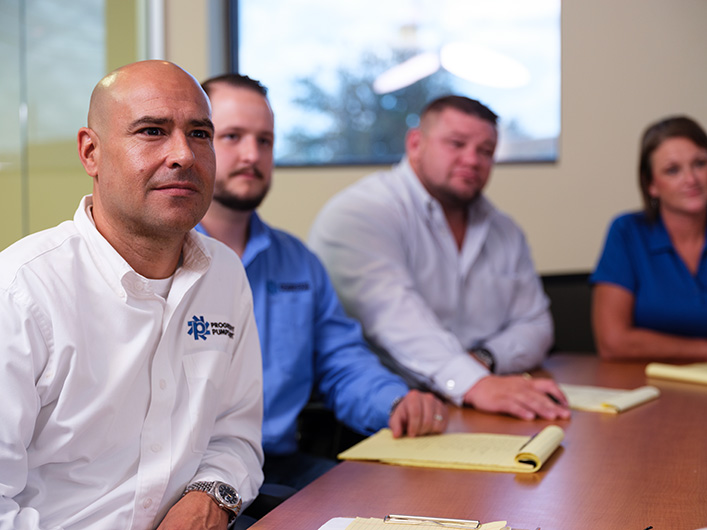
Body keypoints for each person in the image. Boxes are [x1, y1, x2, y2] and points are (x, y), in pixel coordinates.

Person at [0, 61, 263, 529]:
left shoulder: (223, 274)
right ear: (90, 152)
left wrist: (211, 495)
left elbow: (235, 434)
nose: (183, 153)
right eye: (152, 131)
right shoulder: (22, 291)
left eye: (200, 134)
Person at [196, 74, 449, 491]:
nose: (251, 155)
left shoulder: (296, 262)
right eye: (232, 136)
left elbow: (341, 361)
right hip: (186, 479)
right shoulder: (162, 259)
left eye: (265, 141)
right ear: (198, 143)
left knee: (408, 501)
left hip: (278, 465)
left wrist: (395, 401)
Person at [309, 95, 570, 421]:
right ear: (415, 143)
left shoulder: (505, 231)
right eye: (456, 143)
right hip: (389, 415)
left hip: (482, 403)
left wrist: (483, 360)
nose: (472, 160)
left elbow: (537, 326)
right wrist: (474, 382)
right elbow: (395, 320)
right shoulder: (359, 213)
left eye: (486, 151)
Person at [591, 115, 707, 360]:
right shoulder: (627, 232)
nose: (691, 179)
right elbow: (612, 342)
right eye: (673, 170)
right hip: (644, 387)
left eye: (700, 163)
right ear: (651, 184)